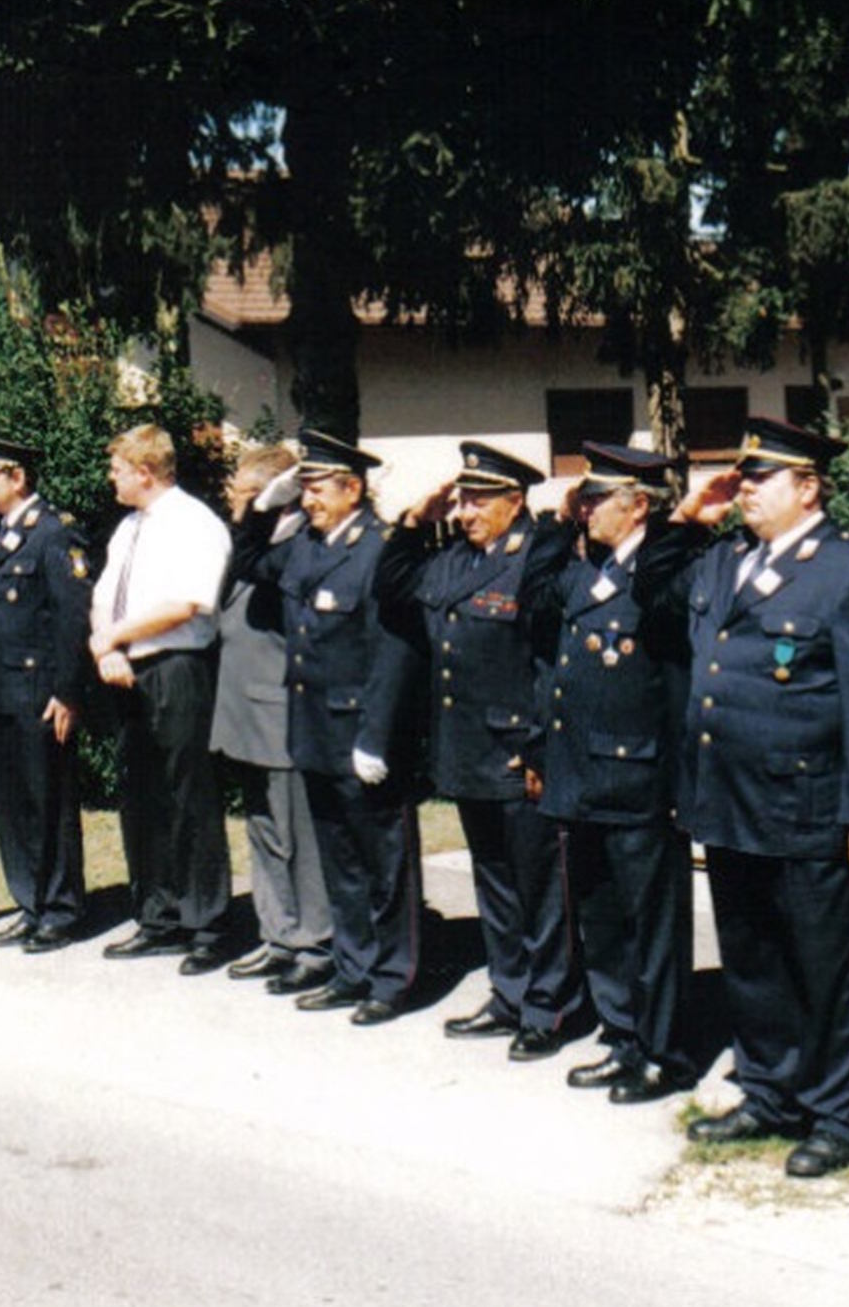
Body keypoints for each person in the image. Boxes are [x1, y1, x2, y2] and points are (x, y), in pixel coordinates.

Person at [654, 416, 849, 1178]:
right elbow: (652, 596)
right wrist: (685, 518)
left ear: (808, 486)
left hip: (808, 807)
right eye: (743, 478)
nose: (746, 492)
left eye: (760, 480)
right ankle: (768, 1094)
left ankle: (839, 1118)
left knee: (824, 969)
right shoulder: (726, 559)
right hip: (729, 802)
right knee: (752, 961)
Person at [379, 441, 580, 1062]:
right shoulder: (453, 562)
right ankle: (510, 991)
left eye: (479, 500)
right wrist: (415, 520)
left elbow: (550, 662)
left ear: (514, 502)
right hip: (465, 750)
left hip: (517, 752)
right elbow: (390, 588)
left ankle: (550, 1006)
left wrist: (539, 747)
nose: (465, 512)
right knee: (493, 881)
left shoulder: (536, 556)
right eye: (461, 499)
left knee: (541, 887)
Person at [519, 442, 696, 1101]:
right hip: (579, 775)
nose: (585, 508)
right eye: (583, 498)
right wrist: (560, 523)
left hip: (638, 777)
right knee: (600, 920)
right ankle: (622, 1036)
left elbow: (673, 680)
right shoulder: (580, 570)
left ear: (637, 505)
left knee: (650, 924)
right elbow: (530, 603)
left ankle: (663, 1050)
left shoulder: (659, 573)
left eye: (597, 499)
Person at [232, 428, 425, 1026]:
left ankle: (392, 979)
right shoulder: (307, 546)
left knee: (383, 863)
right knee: (339, 863)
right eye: (305, 487)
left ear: (354, 489)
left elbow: (394, 651)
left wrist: (377, 736)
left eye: (318, 488)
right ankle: (353, 967)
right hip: (312, 729)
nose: (309, 499)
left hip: (360, 736)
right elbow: (246, 565)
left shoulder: (376, 551)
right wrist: (262, 508)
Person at [88, 424, 235, 974]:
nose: (112, 478)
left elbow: (186, 604)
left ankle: (206, 924)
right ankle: (158, 915)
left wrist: (116, 635)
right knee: (141, 794)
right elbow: (103, 596)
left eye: (118, 469)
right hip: (128, 668)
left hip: (178, 668)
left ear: (145, 472)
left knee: (186, 793)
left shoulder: (194, 524)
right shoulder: (127, 529)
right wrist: (110, 649)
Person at [0, 432, 92, 955]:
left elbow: (73, 618)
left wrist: (68, 692)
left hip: (35, 691)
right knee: (8, 806)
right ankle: (29, 903)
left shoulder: (53, 533)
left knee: (44, 802)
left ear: (18, 477)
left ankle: (59, 908)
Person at [210, 444, 332, 995]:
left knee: (297, 833)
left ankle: (314, 940)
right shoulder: (253, 543)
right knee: (262, 829)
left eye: (240, 493)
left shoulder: (298, 542)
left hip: (279, 706)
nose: (231, 501)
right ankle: (277, 933)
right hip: (242, 706)